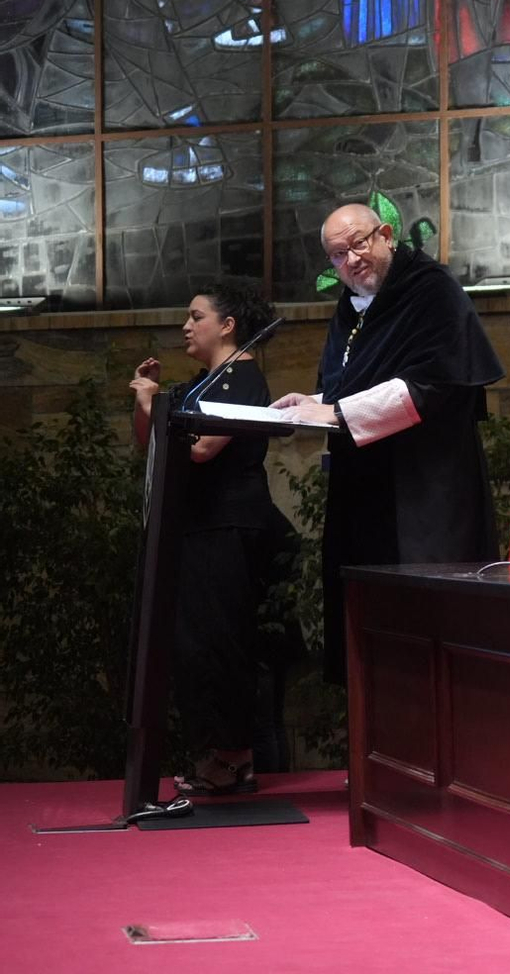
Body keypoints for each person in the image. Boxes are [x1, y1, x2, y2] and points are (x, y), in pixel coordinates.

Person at [274, 203, 504, 684]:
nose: (351, 260)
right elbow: (356, 382)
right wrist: (315, 401)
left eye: (358, 244)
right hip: (363, 488)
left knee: (423, 632)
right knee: (366, 627)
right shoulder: (352, 304)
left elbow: (435, 383)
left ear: (385, 234)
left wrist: (337, 412)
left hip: (423, 488)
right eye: (338, 255)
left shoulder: (431, 290)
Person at [129, 279, 289, 796]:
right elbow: (152, 444)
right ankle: (217, 756)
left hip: (228, 522)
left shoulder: (242, 378)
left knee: (220, 640)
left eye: (196, 316)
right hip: (197, 522)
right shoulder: (204, 381)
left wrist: (154, 403)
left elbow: (199, 448)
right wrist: (146, 402)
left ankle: (235, 758)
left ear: (228, 325)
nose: (186, 326)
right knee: (194, 644)